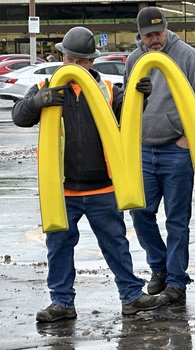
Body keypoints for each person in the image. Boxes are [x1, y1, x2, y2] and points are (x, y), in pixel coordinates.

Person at [12, 26, 161, 323]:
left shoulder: (107, 89)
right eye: (70, 58)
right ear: (62, 56)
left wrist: (141, 95)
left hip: (102, 186)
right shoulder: (46, 87)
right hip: (61, 188)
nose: (75, 65)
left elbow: (128, 113)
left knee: (116, 243)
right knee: (59, 248)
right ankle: (61, 302)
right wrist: (37, 102)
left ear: (90, 62)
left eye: (81, 60)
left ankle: (131, 296)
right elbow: (19, 116)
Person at [124, 7, 195, 306]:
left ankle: (176, 282)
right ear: (139, 35)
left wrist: (186, 137)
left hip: (176, 151)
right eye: (148, 35)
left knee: (177, 220)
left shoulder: (188, 56)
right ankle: (160, 267)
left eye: (158, 33)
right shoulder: (134, 60)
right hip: (142, 150)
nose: (154, 40)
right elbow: (126, 101)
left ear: (167, 28)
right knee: (140, 213)